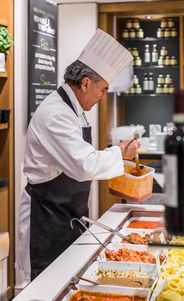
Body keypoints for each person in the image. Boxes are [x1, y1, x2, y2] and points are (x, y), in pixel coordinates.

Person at [15, 29, 140, 284]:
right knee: (42, 288)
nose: (102, 97)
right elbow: (84, 165)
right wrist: (119, 153)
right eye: (102, 89)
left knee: (67, 284)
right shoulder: (56, 114)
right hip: (45, 218)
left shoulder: (73, 110)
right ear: (85, 83)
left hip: (66, 215)